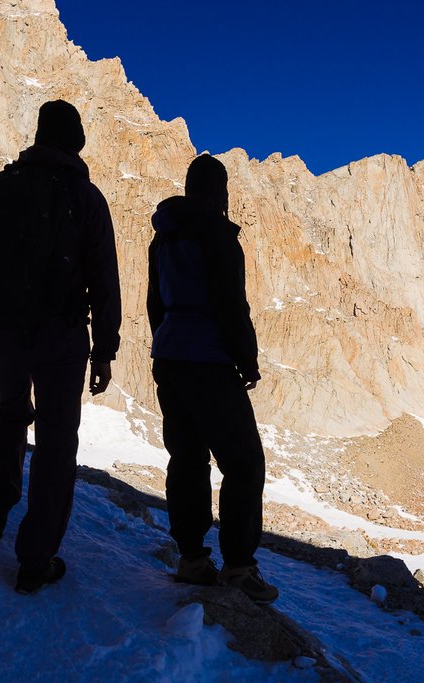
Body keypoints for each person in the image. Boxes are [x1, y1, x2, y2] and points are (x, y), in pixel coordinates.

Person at [0, 99, 120, 594]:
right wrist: (105, 350)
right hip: (61, 336)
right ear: (77, 142)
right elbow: (105, 283)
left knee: (8, 409)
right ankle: (35, 558)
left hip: (1, 328)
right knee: (55, 439)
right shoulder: (87, 199)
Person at [146, 154, 278, 604]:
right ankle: (239, 567)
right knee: (243, 463)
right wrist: (248, 361)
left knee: (186, 459)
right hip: (209, 360)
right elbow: (230, 304)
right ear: (220, 192)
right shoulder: (218, 236)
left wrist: (165, 343)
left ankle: (191, 560)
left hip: (170, 356)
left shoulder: (162, 238)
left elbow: (154, 305)